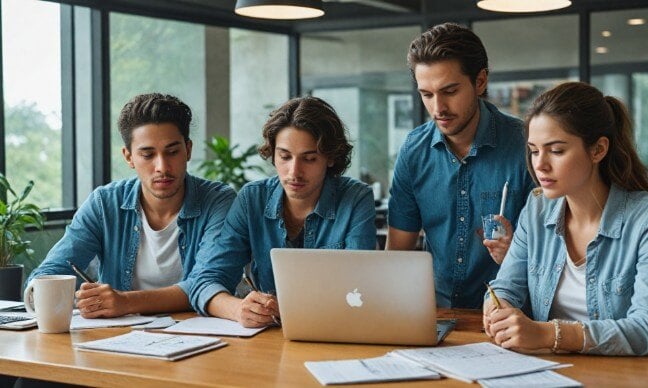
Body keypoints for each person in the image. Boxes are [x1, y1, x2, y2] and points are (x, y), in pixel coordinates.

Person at [484, 82, 648, 356]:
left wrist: (547, 334)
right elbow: (505, 287)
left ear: (598, 149)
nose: (540, 165)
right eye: (534, 150)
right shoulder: (537, 208)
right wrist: (497, 309)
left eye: (556, 150)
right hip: (554, 371)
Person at [28, 93, 236, 318]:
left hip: (202, 337)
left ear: (188, 149)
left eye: (172, 152)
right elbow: (51, 271)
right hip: (121, 338)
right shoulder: (104, 204)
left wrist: (125, 301)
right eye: (147, 155)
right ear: (128, 157)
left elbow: (206, 284)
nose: (162, 167)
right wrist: (44, 295)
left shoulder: (218, 201)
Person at [188, 96, 376, 327]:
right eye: (285, 157)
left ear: (330, 158)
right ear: (273, 153)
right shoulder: (252, 199)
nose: (294, 172)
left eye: (309, 159)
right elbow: (205, 281)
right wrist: (238, 309)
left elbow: (361, 288)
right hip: (269, 337)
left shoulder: (356, 198)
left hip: (335, 330)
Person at [387, 23, 534, 308]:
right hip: (434, 314)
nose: (438, 108)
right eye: (426, 94)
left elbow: (556, 253)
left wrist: (517, 251)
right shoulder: (413, 151)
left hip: (511, 315)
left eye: (450, 91)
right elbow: (397, 254)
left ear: (480, 82)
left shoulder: (526, 146)